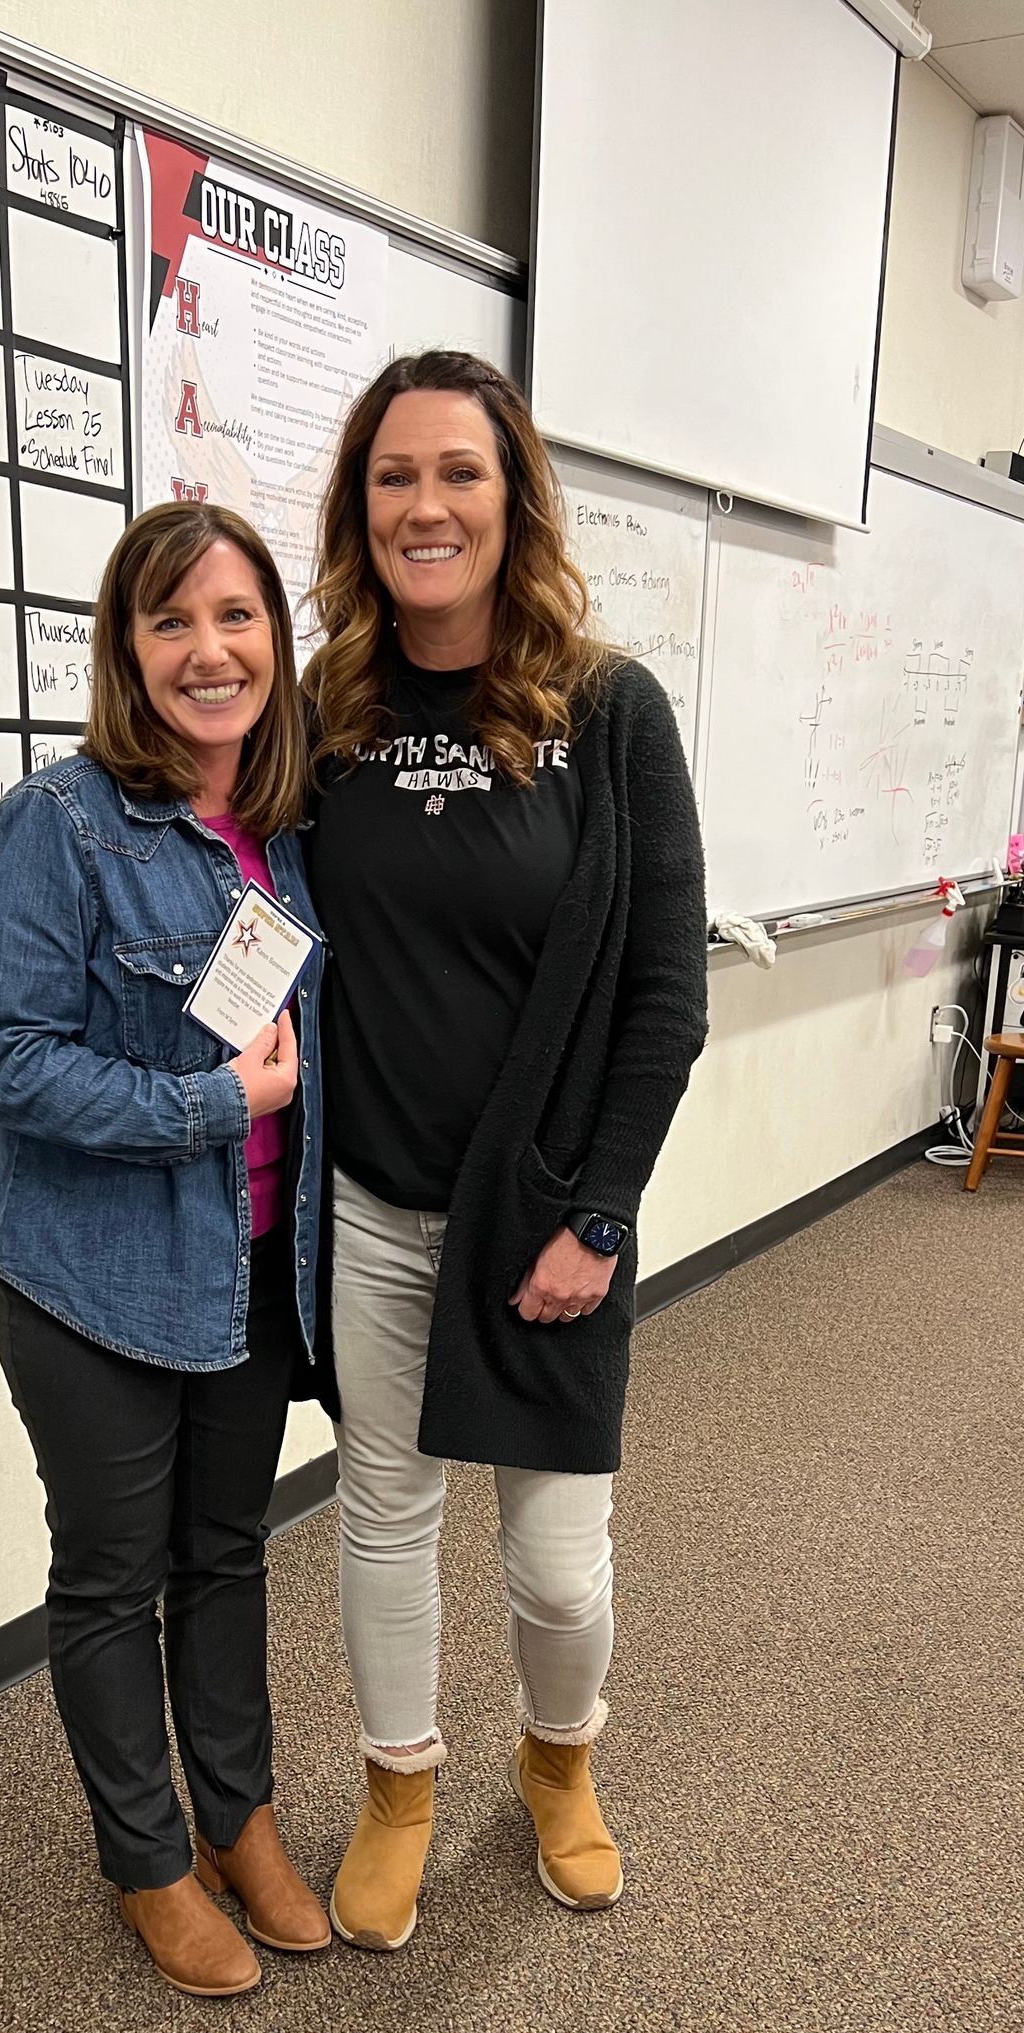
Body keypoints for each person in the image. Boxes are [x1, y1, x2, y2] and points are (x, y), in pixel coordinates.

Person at [303, 349, 709, 1951]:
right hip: (375, 1209)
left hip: (545, 1221)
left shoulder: (607, 711)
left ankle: (559, 1763)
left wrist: (599, 1218)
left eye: (458, 473)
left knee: (555, 1562)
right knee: (384, 1519)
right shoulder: (326, 705)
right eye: (395, 477)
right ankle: (399, 1788)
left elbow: (663, 998)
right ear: (361, 508)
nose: (426, 505)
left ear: (512, 497)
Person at [0, 502, 329, 1999]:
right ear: (127, 648)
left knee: (227, 1553)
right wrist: (205, 1102)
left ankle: (238, 1822)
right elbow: (7, 1058)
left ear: (275, 645)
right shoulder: (60, 823)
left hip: (250, 1263)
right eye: (170, 622)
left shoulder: (291, 832)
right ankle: (147, 1861)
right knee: (113, 1578)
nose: (208, 651)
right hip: (92, 1280)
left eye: (237, 618)